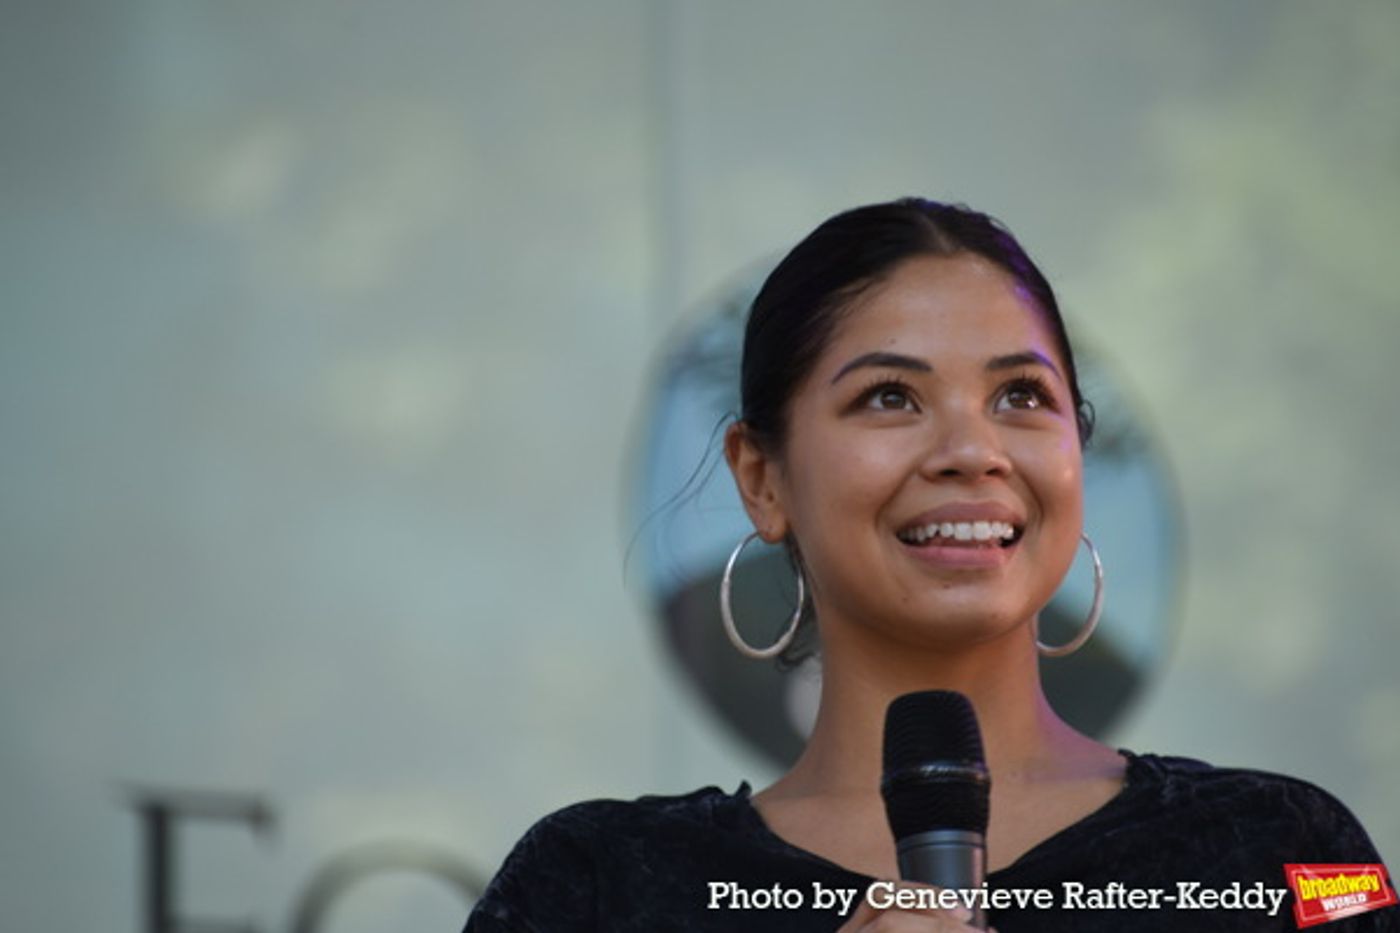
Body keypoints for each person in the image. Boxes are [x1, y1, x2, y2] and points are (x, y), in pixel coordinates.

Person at [463, 199, 1395, 931]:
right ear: (763, 476)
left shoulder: (1297, 855)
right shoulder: (588, 888)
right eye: (891, 396)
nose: (972, 449)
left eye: (1022, 395)